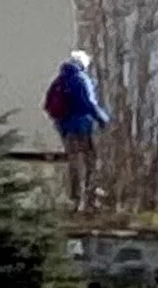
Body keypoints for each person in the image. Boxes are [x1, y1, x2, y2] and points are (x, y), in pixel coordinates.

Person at [45, 49, 110, 211]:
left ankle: (75, 198)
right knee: (90, 161)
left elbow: (48, 105)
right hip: (83, 127)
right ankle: (89, 197)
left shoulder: (59, 80)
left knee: (74, 162)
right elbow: (89, 103)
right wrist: (103, 118)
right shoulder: (81, 79)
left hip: (65, 129)